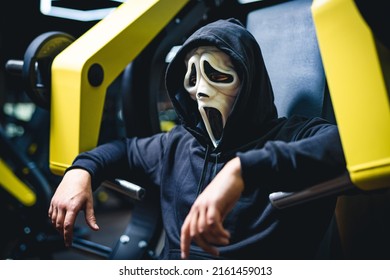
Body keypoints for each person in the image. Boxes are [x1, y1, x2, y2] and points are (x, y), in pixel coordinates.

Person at [48, 18, 346, 260]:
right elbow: (123, 151)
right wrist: (81, 170)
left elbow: (349, 145)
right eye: (192, 79)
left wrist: (242, 170)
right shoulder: (177, 144)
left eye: (217, 75)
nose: (201, 92)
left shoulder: (294, 136)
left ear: (249, 80)